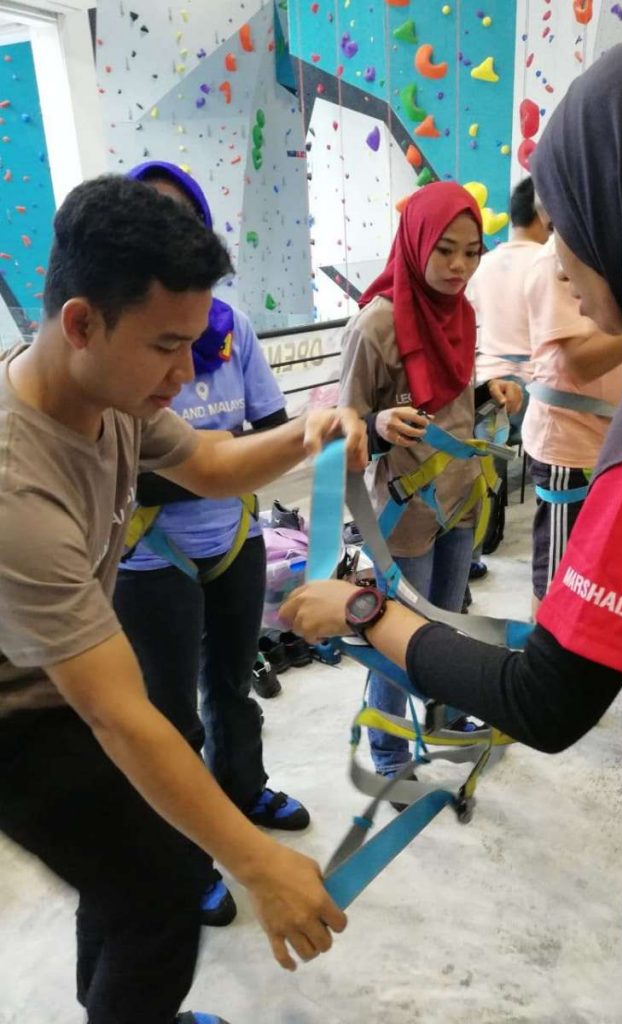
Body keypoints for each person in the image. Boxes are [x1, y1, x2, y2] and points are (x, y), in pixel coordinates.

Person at [282, 17, 622, 1023]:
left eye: (571, 221)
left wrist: (362, 611)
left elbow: (545, 698)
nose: (552, 268)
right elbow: (346, 415)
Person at [0, 175, 364, 1024]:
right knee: (164, 884)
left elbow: (207, 463)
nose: (186, 371)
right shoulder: (17, 488)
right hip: (16, 715)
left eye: (194, 342)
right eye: (167, 345)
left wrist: (308, 433)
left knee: (131, 870)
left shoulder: (109, 393)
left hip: (56, 682)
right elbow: (121, 717)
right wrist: (259, 866)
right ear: (81, 322)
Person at [113, 163, 308, 929]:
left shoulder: (232, 331)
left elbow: (270, 435)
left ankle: (241, 789)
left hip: (233, 537)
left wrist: (220, 461)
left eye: (181, 222)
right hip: (149, 553)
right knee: (167, 720)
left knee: (231, 685)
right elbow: (127, 479)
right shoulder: (119, 345)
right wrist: (220, 460)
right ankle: (184, 858)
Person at [337, 181, 520, 783]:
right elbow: (340, 427)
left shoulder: (461, 314)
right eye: (445, 250)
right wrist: (377, 425)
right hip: (404, 508)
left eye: (471, 252)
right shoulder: (375, 326)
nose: (459, 266)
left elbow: (446, 400)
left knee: (448, 622)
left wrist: (486, 392)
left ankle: (444, 712)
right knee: (399, 634)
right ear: (416, 244)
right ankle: (389, 751)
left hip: (461, 497)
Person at [521, 235, 622, 615]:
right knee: (557, 582)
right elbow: (578, 363)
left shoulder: (608, 247)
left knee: (597, 572)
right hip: (570, 447)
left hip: (612, 441)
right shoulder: (554, 260)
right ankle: (546, 648)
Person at [466, 176, 550, 566]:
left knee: (488, 463)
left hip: (486, 383)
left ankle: (483, 539)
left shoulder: (483, 265)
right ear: (543, 215)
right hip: (535, 386)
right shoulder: (549, 262)